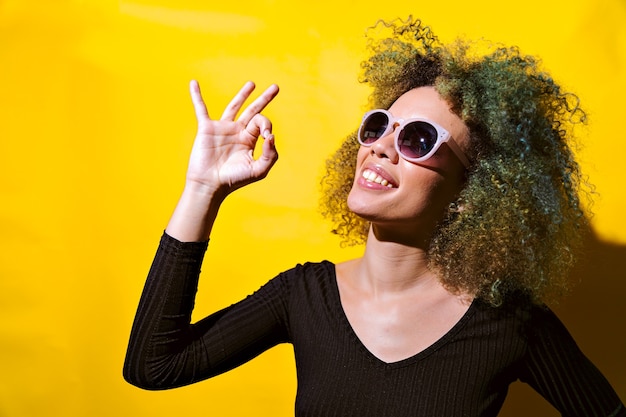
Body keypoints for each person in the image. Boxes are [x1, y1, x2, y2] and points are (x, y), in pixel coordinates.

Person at [123, 17, 625, 416]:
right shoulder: (304, 295)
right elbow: (155, 366)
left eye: (419, 140)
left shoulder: (511, 323)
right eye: (380, 126)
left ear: (469, 194)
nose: (382, 147)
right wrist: (202, 190)